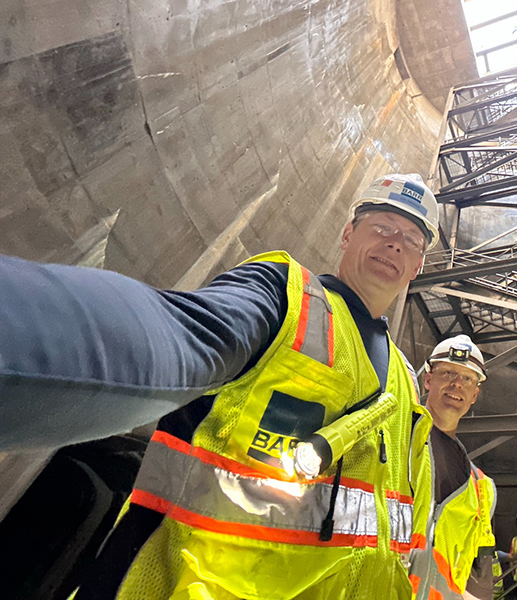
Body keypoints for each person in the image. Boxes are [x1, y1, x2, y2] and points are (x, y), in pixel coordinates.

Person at [0, 173, 440, 600]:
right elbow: (176, 339)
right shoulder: (289, 299)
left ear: (417, 265)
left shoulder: (406, 384)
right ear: (348, 234)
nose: (395, 242)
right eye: (381, 226)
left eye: (411, 240)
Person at [409, 335, 497, 600]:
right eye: (447, 373)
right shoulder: (394, 439)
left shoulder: (482, 489)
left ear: (474, 395)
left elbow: (479, 583)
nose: (456, 384)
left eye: (467, 379)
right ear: (428, 379)